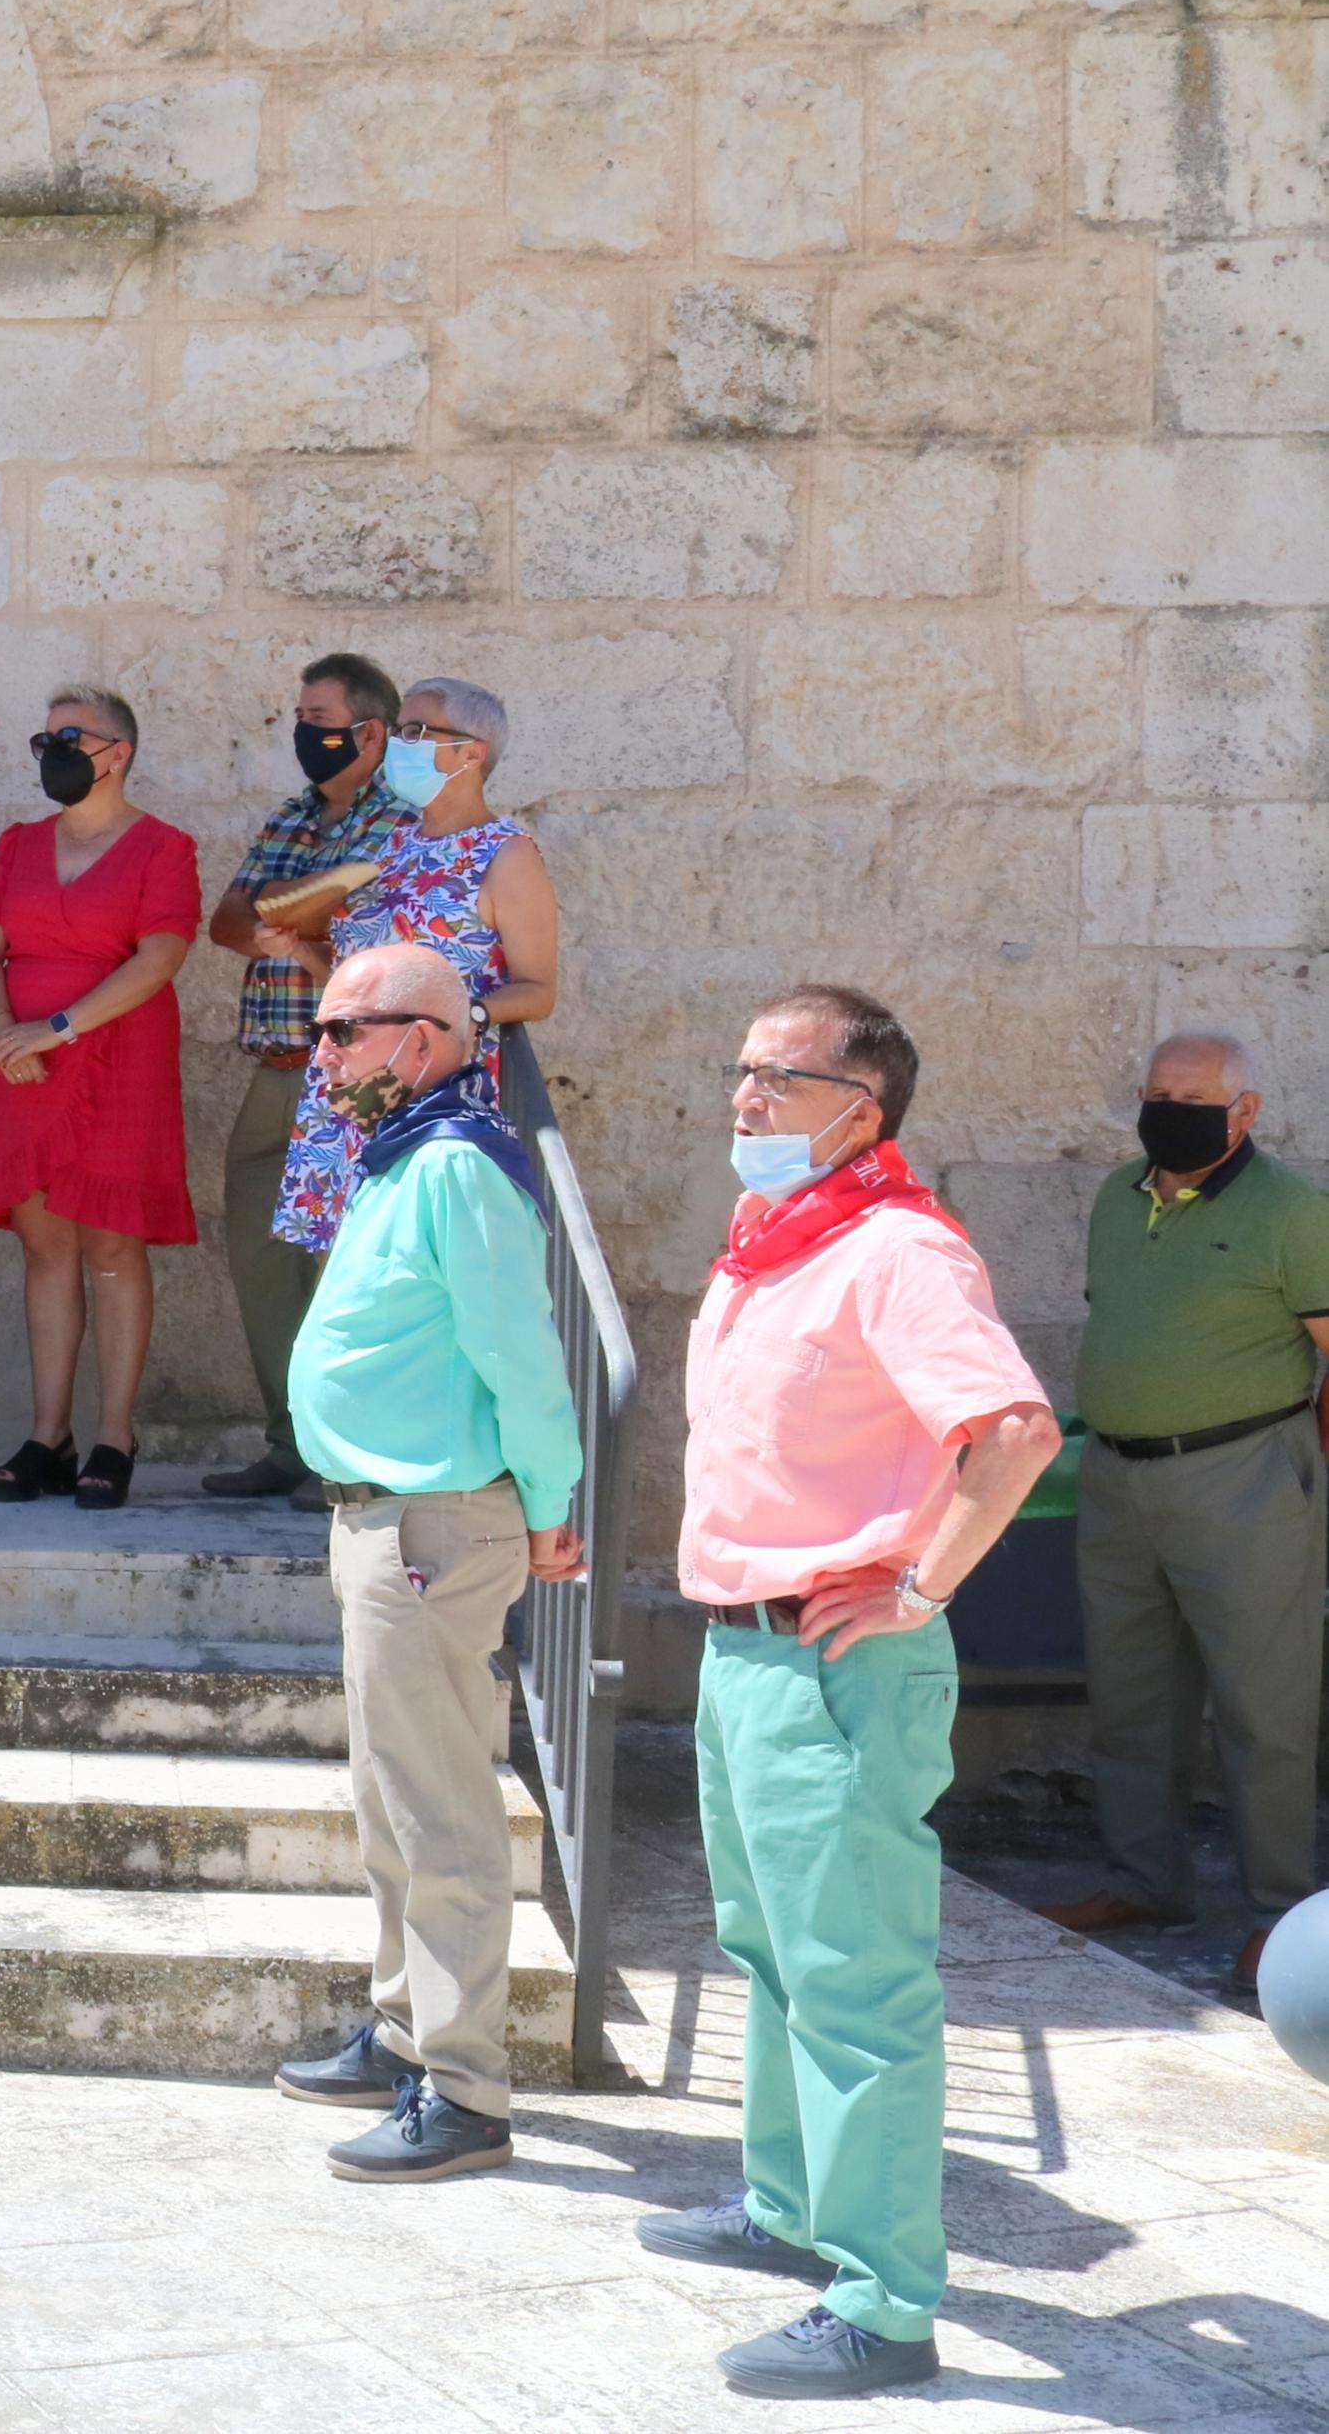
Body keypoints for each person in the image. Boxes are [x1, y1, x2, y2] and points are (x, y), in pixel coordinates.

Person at [639, 986, 1059, 2400]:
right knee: (765, 1949)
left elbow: (1009, 1430)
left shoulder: (894, 1248)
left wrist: (919, 1585)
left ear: (856, 1109)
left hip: (838, 1660)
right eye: (737, 1068)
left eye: (775, 1077)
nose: (741, 1099)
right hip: (745, 1645)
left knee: (855, 1978)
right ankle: (786, 2208)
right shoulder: (773, 1242)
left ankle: (882, 2300)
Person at [264, 946, 579, 2180]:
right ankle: (406, 2035)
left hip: (435, 1526)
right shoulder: (403, 1160)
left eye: (343, 1032)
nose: (323, 1053)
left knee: (439, 1806)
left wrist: (552, 1504)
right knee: (388, 1798)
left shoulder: (455, 1168)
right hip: (386, 1520)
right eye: (323, 1031)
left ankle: (461, 2089)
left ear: (422, 1038)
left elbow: (525, 1356)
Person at [1044, 1030, 1329, 1994]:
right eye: (1154, 1091)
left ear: (1241, 1110)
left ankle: (1277, 1914)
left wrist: (1302, 1468)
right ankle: (1142, 1882)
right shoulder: (1119, 1196)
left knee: (1264, 1704)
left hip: (1243, 1476)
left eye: (1190, 1095)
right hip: (1118, 1478)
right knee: (1129, 1693)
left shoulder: (1292, 1211)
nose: (1166, 1108)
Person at [0, 686, 199, 1509]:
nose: (54, 749)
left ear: (118, 751)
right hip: (21, 1062)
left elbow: (157, 959)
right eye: (45, 736)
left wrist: (54, 1028)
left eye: (71, 735)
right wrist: (2, 1030)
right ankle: (48, 1434)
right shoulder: (18, 843)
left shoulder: (164, 846)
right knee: (44, 1248)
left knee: (110, 1247)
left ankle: (114, 1435)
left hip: (115, 1058)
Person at [201, 654, 413, 1505]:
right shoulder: (290, 813)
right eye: (298, 715)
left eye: (317, 716)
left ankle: (344, 1453)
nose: (302, 733)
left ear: (368, 731)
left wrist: (286, 906)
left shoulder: (401, 819)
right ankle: (290, 1441)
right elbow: (226, 918)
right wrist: (289, 907)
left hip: (347, 1076)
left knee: (338, 1268)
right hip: (272, 1066)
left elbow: (345, 908)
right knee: (260, 1261)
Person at [266, 675, 559, 1254]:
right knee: (347, 1264)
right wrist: (301, 950)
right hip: (349, 1083)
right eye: (401, 730)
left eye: (418, 731)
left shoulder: (506, 853)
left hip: (433, 1091)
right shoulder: (391, 845)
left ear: (471, 753)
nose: (400, 743)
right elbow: (367, 973)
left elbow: (539, 990)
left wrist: (461, 1011)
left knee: (417, 1257)